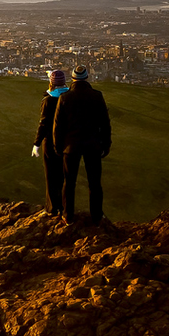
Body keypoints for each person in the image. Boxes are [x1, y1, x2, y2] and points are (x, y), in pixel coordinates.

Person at [52, 65, 111, 224]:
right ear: (86, 78)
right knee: (95, 183)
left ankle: (68, 215)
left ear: (73, 79)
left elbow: (58, 126)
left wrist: (58, 146)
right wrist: (106, 144)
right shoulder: (97, 96)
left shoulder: (65, 98)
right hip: (93, 145)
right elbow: (105, 123)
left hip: (71, 146)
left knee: (69, 182)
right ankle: (97, 216)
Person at [32, 70, 68, 215]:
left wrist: (36, 143)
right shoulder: (68, 97)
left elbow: (44, 123)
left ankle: (52, 208)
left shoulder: (48, 100)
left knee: (51, 175)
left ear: (51, 83)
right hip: (66, 141)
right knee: (62, 176)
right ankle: (64, 207)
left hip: (50, 142)